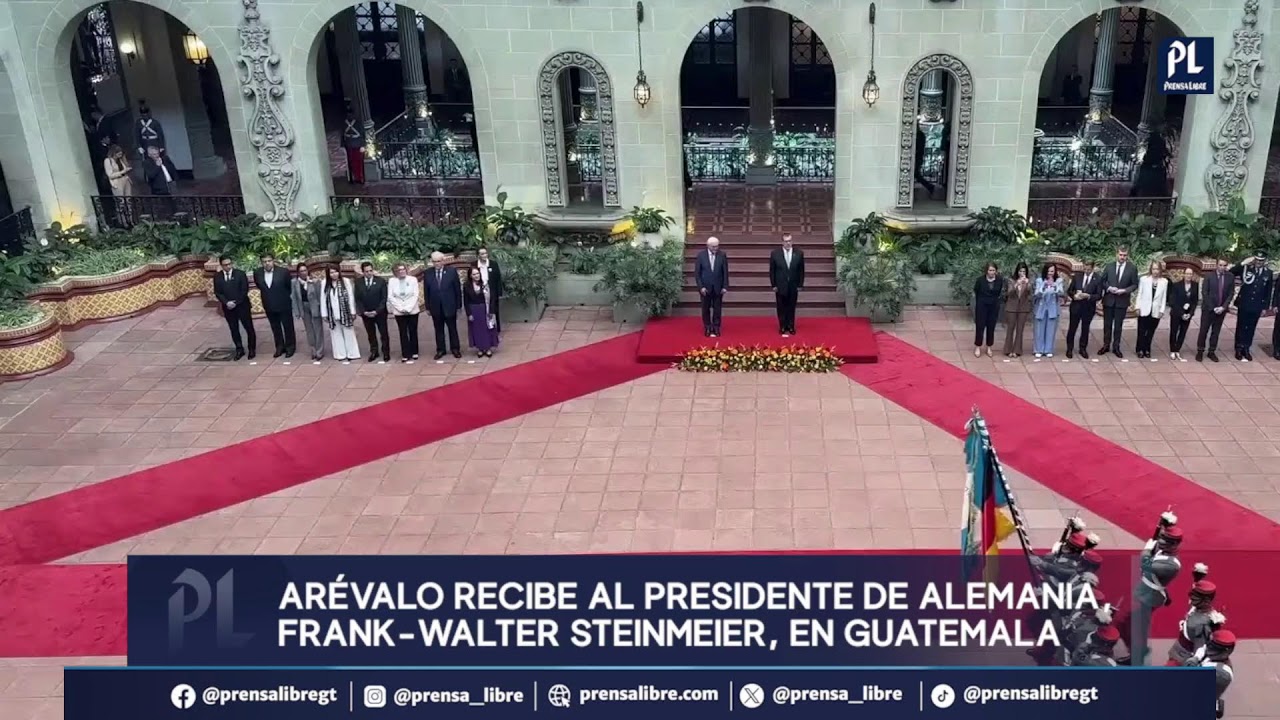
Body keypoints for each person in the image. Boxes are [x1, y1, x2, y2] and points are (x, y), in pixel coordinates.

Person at [1167, 576, 1224, 666]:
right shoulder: (1197, 608)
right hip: (1179, 651)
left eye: (1195, 596)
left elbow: (1199, 648)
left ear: (1206, 600)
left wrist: (1194, 660)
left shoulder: (1201, 625)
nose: (1191, 597)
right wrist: (1197, 579)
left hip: (1183, 657)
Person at [1229, 250, 1274, 361]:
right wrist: (1243, 263)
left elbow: (1268, 292)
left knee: (1251, 327)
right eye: (1257, 260)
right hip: (1244, 303)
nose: (1258, 262)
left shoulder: (1268, 273)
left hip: (1257, 305)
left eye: (1261, 260)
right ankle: (1238, 348)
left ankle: (1246, 348)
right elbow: (1231, 272)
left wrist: (1265, 307)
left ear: (1264, 261)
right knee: (1241, 326)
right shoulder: (1246, 269)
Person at [213, 255, 256, 360]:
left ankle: (252, 349)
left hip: (242, 306)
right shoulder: (217, 277)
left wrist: (236, 302)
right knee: (234, 329)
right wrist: (226, 302)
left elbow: (244, 290)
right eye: (225, 265)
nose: (228, 266)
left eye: (229, 264)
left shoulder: (240, 274)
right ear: (221, 265)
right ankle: (239, 349)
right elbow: (218, 292)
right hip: (228, 308)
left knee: (248, 328)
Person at [253, 253, 296, 359]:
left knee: (288, 326)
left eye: (269, 261)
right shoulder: (257, 273)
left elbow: (289, 287)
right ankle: (279, 346)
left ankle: (290, 347)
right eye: (264, 261)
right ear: (261, 263)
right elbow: (259, 286)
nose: (267, 263)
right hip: (269, 304)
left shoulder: (283, 272)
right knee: (275, 327)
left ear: (273, 261)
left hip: (283, 304)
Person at [1099, 247, 1138, 358]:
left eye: (1125, 255)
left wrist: (1125, 290)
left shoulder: (1132, 268)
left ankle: (1116, 347)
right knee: (1107, 325)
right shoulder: (1109, 266)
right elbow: (1103, 281)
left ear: (1127, 256)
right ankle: (1106, 345)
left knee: (1118, 326)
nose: (1122, 257)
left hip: (1122, 301)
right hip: (1109, 300)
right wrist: (1109, 288)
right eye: (1121, 255)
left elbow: (1135, 284)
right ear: (1117, 254)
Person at [424, 251, 463, 359]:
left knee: (452, 329)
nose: (436, 264)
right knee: (438, 329)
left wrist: (459, 305)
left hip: (449, 305)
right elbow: (426, 291)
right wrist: (427, 307)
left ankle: (455, 349)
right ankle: (441, 350)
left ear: (443, 261)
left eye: (438, 261)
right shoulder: (428, 273)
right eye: (434, 262)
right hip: (435, 306)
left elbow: (457, 289)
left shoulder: (451, 272)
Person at [1197, 258, 1234, 362]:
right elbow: (1205, 292)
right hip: (1208, 309)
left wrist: (1223, 307)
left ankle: (1211, 351)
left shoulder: (1230, 277)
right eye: (1220, 265)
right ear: (1216, 265)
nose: (1222, 267)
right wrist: (1213, 307)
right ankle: (1200, 351)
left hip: (1221, 309)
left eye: (1224, 265)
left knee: (1216, 332)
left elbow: (1231, 293)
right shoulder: (1209, 276)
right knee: (1203, 330)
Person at [320, 267, 360, 364]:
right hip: (332, 312)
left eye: (336, 272)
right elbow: (323, 298)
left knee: (348, 331)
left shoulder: (345, 281)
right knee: (335, 333)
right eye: (331, 272)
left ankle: (352, 354)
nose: (334, 274)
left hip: (345, 311)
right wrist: (324, 313)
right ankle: (340, 354)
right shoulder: (325, 283)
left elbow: (350, 296)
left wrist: (352, 311)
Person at [353, 262, 390, 363]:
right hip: (366, 313)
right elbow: (358, 299)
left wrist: (377, 311)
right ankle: (374, 351)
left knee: (384, 333)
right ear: (363, 272)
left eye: (370, 271)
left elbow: (384, 298)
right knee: (371, 333)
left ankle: (386, 352)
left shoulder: (380, 281)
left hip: (380, 313)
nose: (369, 273)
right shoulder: (358, 282)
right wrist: (363, 311)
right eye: (366, 271)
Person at [1064, 260, 1102, 359]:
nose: (1086, 271)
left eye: (1088, 269)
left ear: (1092, 268)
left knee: (1085, 329)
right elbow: (1070, 290)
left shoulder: (1097, 279)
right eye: (1085, 269)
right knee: (1072, 328)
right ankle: (1069, 349)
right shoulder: (1077, 276)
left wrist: (1088, 296)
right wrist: (1074, 296)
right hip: (1076, 306)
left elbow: (1099, 295)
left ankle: (1083, 349)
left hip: (1088, 308)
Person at [769, 233, 805, 336]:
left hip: (793, 285)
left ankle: (791, 326)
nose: (788, 243)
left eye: (789, 241)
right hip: (780, 285)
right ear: (782, 242)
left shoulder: (799, 253)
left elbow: (801, 270)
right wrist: (773, 285)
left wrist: (800, 284)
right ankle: (782, 326)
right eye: (786, 241)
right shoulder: (775, 254)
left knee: (791, 306)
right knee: (781, 307)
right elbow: (772, 270)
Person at [694, 237, 728, 337]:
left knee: (717, 309)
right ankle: (708, 327)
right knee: (705, 309)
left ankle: (716, 327)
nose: (715, 248)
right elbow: (697, 273)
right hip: (705, 288)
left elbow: (725, 271)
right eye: (713, 246)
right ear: (708, 245)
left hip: (718, 287)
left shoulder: (722, 255)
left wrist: (725, 286)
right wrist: (701, 287)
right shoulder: (701, 255)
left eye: (717, 246)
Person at [387, 263, 420, 363]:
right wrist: (401, 308)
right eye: (399, 270)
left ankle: (414, 351)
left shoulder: (413, 280)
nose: (402, 271)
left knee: (413, 331)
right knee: (403, 332)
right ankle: (405, 353)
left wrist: (408, 308)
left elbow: (415, 295)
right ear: (395, 272)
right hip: (399, 311)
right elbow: (391, 296)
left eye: (403, 269)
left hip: (412, 310)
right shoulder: (392, 281)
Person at [1134, 260, 1168, 359]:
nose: (1155, 271)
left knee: (1150, 331)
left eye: (1157, 269)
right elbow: (1139, 294)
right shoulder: (1144, 279)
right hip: (1144, 308)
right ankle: (1139, 349)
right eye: (1154, 269)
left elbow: (1164, 297)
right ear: (1151, 269)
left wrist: (1162, 310)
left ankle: (1147, 349)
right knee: (1141, 330)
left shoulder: (1164, 282)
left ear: (1160, 270)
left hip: (1155, 310)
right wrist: (1137, 307)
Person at [291, 262, 324, 362]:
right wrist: (297, 312)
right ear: (298, 272)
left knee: (318, 329)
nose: (303, 273)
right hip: (304, 307)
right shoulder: (294, 282)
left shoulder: (314, 281)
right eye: (301, 271)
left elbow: (319, 296)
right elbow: (294, 297)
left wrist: (321, 309)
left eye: (305, 270)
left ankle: (320, 351)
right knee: (309, 330)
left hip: (314, 306)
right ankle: (313, 350)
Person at [464, 266, 499, 357]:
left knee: (486, 329)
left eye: (478, 273)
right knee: (476, 330)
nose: (476, 276)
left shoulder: (485, 284)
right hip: (474, 310)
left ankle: (487, 348)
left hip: (485, 309)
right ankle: (480, 348)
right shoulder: (466, 286)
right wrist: (469, 314)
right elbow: (466, 301)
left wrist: (491, 311)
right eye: (474, 274)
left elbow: (491, 298)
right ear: (470, 276)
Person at [972, 262, 1003, 358]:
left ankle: (989, 346)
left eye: (993, 270)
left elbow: (999, 292)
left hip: (993, 306)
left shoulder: (999, 280)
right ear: (986, 271)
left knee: (991, 327)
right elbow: (976, 290)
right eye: (990, 270)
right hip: (982, 306)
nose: (992, 272)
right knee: (980, 326)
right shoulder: (980, 280)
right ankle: (978, 346)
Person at [1033, 263, 1064, 358]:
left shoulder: (1058, 281)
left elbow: (1061, 292)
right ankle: (1038, 349)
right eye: (1048, 271)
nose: (1050, 273)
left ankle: (1048, 349)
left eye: (1052, 271)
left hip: (1052, 307)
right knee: (1039, 328)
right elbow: (1037, 294)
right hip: (1041, 307)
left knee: (1051, 329)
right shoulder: (1039, 280)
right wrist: (1044, 286)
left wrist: (1054, 286)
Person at [1167, 268, 1198, 361]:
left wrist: (1190, 313)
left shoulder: (1195, 285)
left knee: (1183, 332)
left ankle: (1177, 349)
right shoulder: (1177, 285)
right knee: (1174, 331)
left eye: (1190, 274)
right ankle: (1172, 350)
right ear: (1184, 274)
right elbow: (1172, 301)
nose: (1189, 276)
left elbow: (1194, 301)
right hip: (1177, 313)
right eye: (1187, 274)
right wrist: (1181, 314)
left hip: (1187, 313)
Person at [1003, 262, 1033, 358]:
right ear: (1017, 271)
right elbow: (1009, 293)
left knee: (1020, 329)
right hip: (1012, 307)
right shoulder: (1011, 281)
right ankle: (1008, 349)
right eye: (1020, 271)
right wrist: (1017, 284)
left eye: (1024, 271)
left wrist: (1027, 284)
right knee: (1010, 328)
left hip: (1023, 307)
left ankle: (1017, 350)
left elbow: (1030, 293)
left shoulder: (1029, 281)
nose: (1022, 273)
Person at [475, 247, 504, 332]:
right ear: (478, 255)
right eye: (482, 254)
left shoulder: (493, 264)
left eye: (485, 253)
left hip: (492, 291)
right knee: (483, 310)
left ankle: (495, 330)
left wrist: (499, 292)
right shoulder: (474, 265)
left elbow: (498, 279)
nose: (484, 255)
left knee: (493, 310)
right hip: (480, 291)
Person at [341, 101, 365, 185]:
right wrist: (342, 145)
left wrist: (362, 145)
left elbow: (362, 134)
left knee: (358, 162)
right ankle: (352, 178)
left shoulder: (358, 123)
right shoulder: (344, 123)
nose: (349, 116)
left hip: (357, 144)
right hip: (349, 144)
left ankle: (359, 178)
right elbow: (342, 134)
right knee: (350, 162)